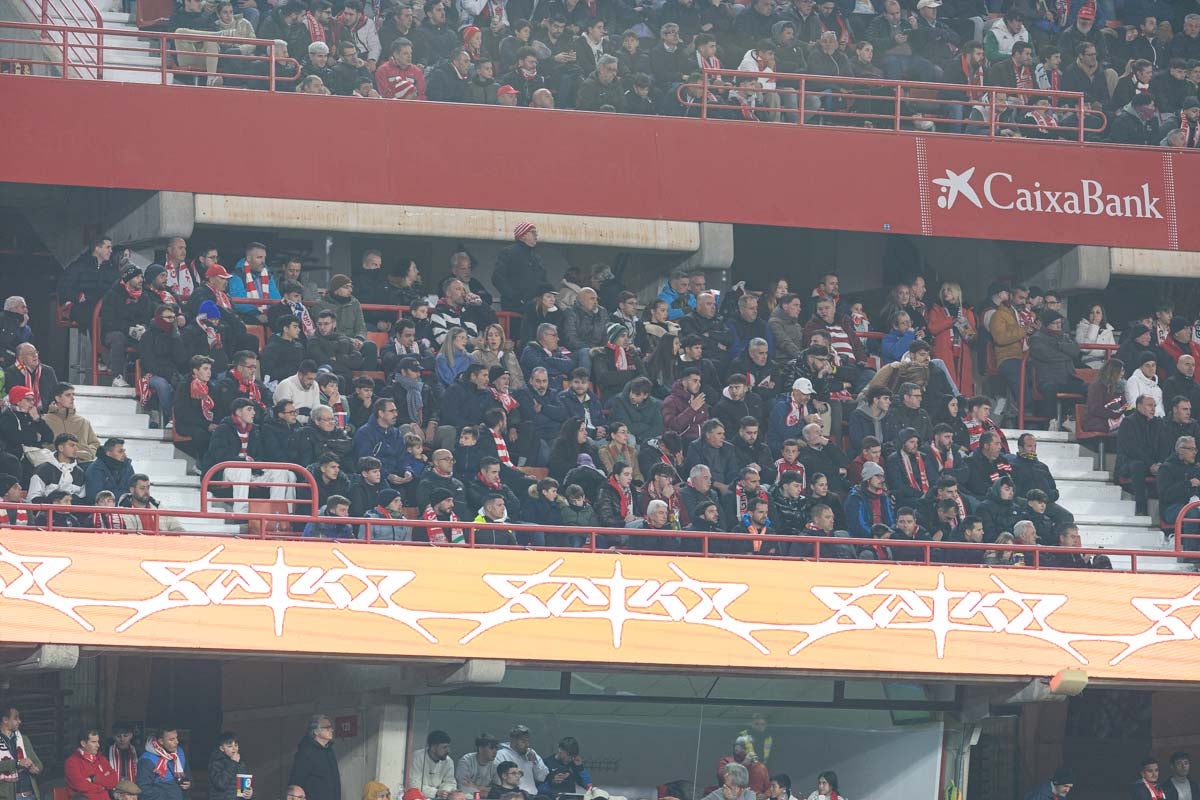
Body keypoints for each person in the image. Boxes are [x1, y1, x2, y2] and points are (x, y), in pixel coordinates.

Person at [202, 399, 293, 514]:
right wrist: (242, 460)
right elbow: (220, 456)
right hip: (224, 472)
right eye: (249, 409)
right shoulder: (223, 429)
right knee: (242, 468)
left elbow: (260, 455)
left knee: (281, 471)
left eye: (254, 409)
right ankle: (241, 510)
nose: (254, 413)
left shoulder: (255, 431)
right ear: (238, 412)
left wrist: (256, 465)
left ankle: (275, 510)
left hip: (250, 471)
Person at [492, 222, 547, 313]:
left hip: (535, 308)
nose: (536, 235)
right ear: (522, 236)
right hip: (514, 309)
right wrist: (516, 298)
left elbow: (544, 280)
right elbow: (497, 278)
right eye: (533, 232)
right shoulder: (508, 253)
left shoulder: (537, 257)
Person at [43, 383, 100, 462]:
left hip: (82, 464)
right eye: (68, 395)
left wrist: (88, 453)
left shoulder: (83, 422)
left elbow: (95, 443)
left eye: (73, 395)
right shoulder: (44, 421)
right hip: (54, 465)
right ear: (57, 398)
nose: (73, 398)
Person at [288, 716, 340, 800]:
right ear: (316, 731)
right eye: (327, 727)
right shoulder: (305, 753)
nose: (332, 730)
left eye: (331, 727)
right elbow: (296, 783)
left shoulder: (330, 752)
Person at [136, 728, 191, 800]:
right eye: (171, 739)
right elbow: (143, 789)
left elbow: (187, 772)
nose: (177, 742)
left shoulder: (179, 753)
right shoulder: (147, 760)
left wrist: (189, 782)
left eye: (176, 738)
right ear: (161, 741)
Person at [494, 726, 548, 798]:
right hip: (511, 795)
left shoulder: (531, 753)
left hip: (533, 795)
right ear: (513, 740)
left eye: (528, 741)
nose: (527, 745)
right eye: (523, 741)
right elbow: (498, 780)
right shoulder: (500, 755)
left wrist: (535, 762)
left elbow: (542, 777)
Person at [66, 728, 118, 800]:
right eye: (94, 742)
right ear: (83, 743)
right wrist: (103, 786)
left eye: (98, 741)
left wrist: (94, 779)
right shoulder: (72, 762)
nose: (98, 745)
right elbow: (80, 785)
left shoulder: (101, 759)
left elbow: (114, 780)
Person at [409, 731, 455, 799]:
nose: (448, 751)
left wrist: (444, 791)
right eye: (444, 747)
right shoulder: (417, 757)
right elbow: (413, 784)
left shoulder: (449, 761)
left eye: (448, 747)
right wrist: (436, 792)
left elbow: (450, 782)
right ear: (433, 748)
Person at [208, 732, 251, 800]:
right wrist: (233, 763)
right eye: (230, 746)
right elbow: (221, 785)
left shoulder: (241, 764)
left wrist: (248, 793)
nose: (234, 748)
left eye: (236, 745)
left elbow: (243, 789)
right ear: (222, 748)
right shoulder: (216, 764)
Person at [1075, 303, 1116, 369]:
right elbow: (1084, 349)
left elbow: (1113, 350)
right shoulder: (1081, 327)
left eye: (1098, 312)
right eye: (1092, 313)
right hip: (1088, 364)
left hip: (1105, 364)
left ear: (1102, 315)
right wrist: (1094, 326)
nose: (1095, 315)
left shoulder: (1108, 329)